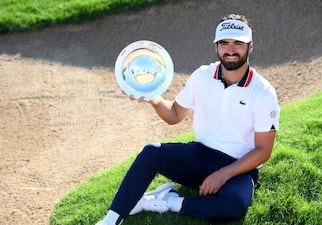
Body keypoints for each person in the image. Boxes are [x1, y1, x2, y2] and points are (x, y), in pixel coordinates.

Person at [96, 14, 280, 225]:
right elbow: (174, 115)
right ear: (216, 46)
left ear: (250, 46)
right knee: (151, 153)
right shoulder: (202, 76)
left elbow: (263, 151)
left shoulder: (263, 92)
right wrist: (153, 98)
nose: (230, 50)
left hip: (240, 166)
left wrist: (223, 174)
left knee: (234, 206)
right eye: (224, 43)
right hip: (201, 155)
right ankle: (112, 219)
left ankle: (172, 200)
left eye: (238, 43)